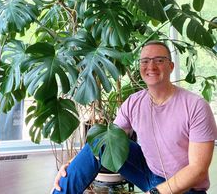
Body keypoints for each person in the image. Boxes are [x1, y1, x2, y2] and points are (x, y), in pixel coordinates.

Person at [52, 41, 217, 194]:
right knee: (101, 140)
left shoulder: (196, 106)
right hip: (148, 173)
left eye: (159, 60)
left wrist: (156, 192)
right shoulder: (134, 102)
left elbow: (198, 170)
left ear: (171, 66)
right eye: (145, 61)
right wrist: (70, 165)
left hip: (186, 188)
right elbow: (106, 141)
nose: (151, 66)